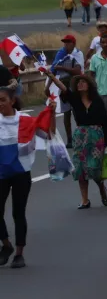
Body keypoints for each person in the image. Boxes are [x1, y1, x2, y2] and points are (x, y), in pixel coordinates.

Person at [42, 70, 107, 209]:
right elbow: (63, 88)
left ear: (89, 85)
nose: (80, 84)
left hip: (96, 136)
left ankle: (102, 188)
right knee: (80, 169)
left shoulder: (97, 100)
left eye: (83, 82)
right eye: (78, 82)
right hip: (80, 136)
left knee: (94, 168)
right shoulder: (74, 98)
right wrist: (51, 76)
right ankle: (85, 200)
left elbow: (105, 121)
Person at [0, 87, 53, 269]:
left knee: (18, 212)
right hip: (1, 173)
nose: (0, 104)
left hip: (21, 172)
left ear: (12, 101)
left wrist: (51, 115)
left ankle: (19, 253)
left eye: (2, 100)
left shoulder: (25, 120)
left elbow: (46, 134)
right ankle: (6, 245)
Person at [48, 35, 84, 148]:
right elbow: (53, 70)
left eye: (68, 42)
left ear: (73, 43)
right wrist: (47, 86)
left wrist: (63, 68)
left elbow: (78, 71)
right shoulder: (61, 54)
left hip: (75, 85)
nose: (66, 45)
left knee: (77, 113)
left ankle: (81, 137)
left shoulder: (77, 54)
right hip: (63, 86)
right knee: (66, 113)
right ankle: (69, 139)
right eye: (65, 43)